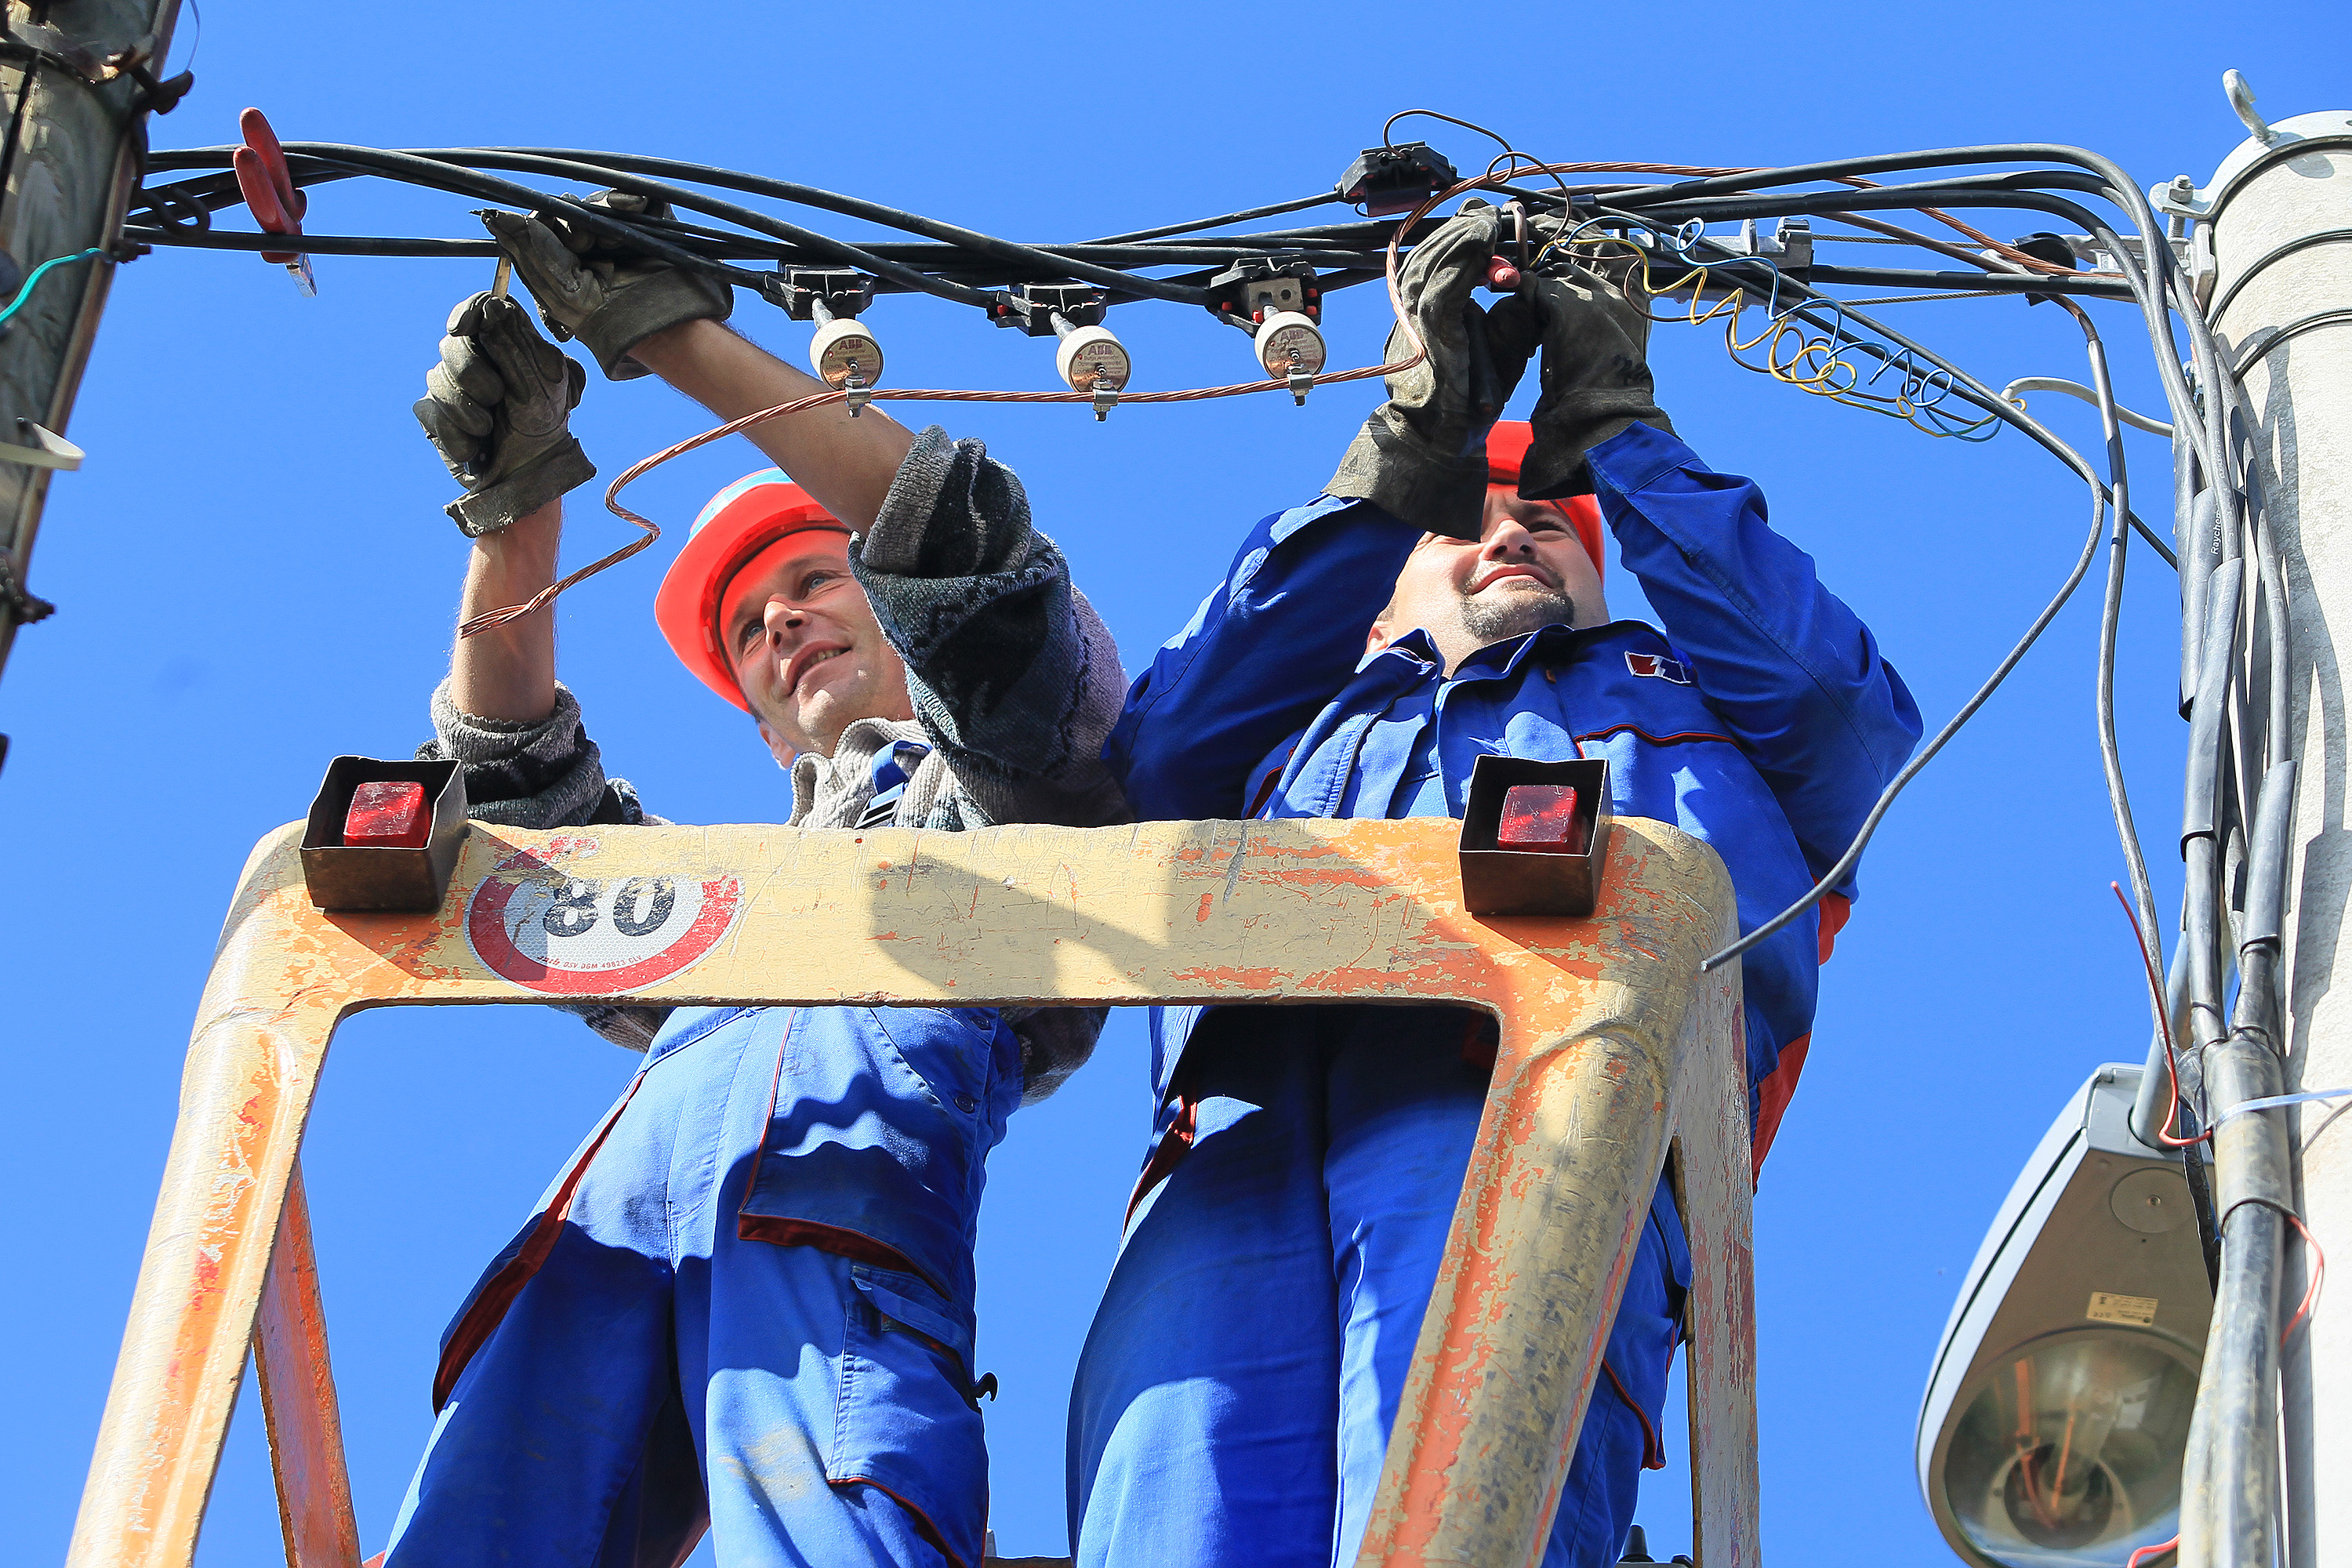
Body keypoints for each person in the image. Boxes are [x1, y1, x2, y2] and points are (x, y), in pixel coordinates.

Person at [1067, 205, 1926, 1566]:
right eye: (1464, 525)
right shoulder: (1287, 729)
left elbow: (1843, 715)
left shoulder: (1708, 707)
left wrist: (1618, 432)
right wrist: (1413, 447)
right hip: (1233, 1148)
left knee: (1465, 1517)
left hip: (1541, 1106)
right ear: (1378, 595)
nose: (1514, 534)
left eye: (1552, 522)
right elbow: (1157, 754)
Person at [380, 194, 1125, 1568]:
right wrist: (516, 507)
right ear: (765, 731)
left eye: (815, 580)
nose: (780, 620)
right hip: (607, 1243)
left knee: (824, 1523)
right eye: (746, 630)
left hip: (834, 1195)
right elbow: (523, 810)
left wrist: (674, 336)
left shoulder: (1003, 792)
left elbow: (971, 570)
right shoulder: (724, 908)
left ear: (894, 611)